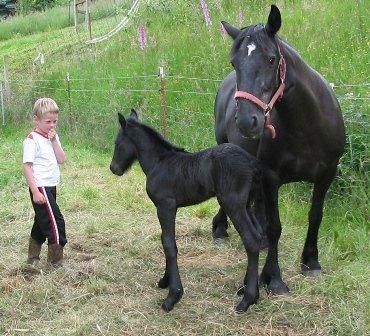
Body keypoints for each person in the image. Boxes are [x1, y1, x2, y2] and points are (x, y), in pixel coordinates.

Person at [22, 98, 67, 266]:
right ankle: (56, 263)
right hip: (40, 186)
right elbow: (26, 166)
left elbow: (61, 159)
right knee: (56, 223)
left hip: (51, 185)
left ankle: (32, 258)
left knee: (42, 222)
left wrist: (54, 140)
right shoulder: (32, 140)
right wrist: (35, 191)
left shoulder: (52, 137)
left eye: (55, 121)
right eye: (47, 121)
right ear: (36, 119)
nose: (52, 125)